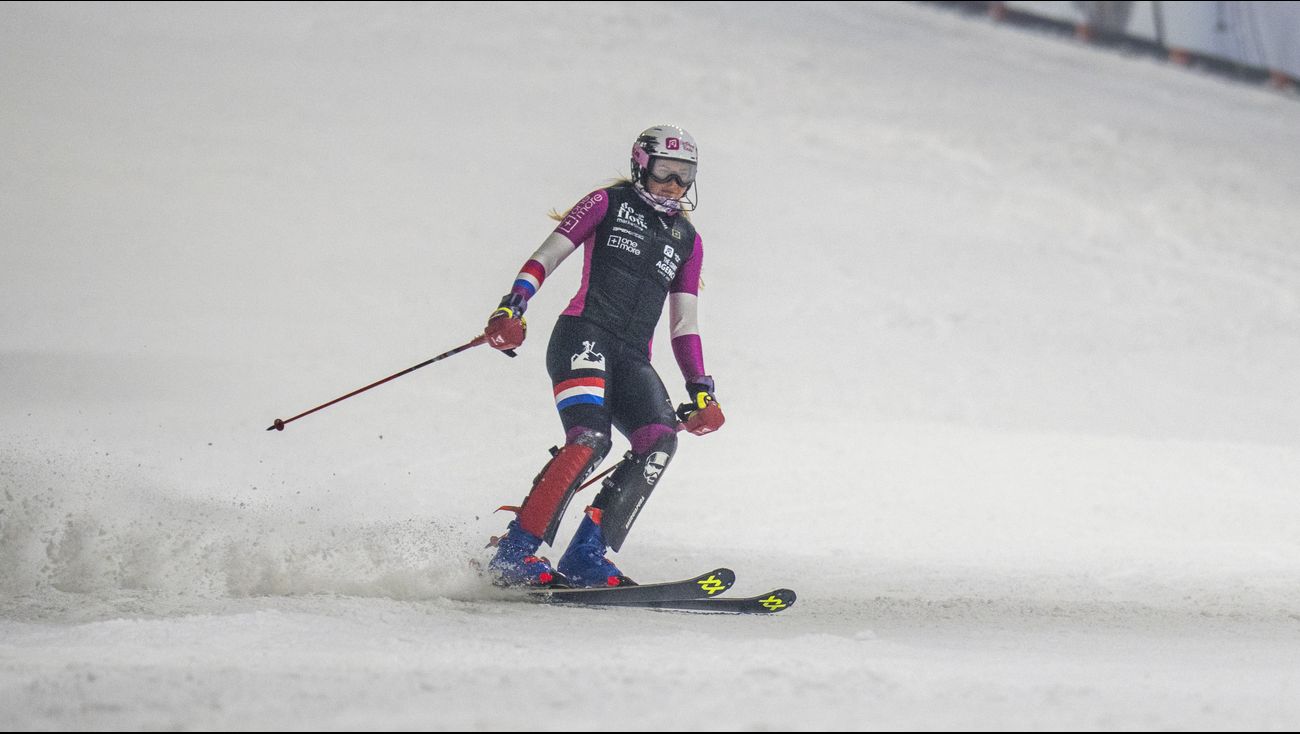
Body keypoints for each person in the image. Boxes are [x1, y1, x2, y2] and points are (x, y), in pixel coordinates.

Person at [482, 124, 726, 588]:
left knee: (659, 440)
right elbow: (546, 256)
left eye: (684, 174)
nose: (673, 184)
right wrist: (512, 306)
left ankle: (586, 556)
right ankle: (513, 553)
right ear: (641, 165)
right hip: (583, 335)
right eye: (664, 170)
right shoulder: (606, 203)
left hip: (632, 357)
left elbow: (684, 325)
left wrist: (701, 389)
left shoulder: (687, 240)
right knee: (590, 437)